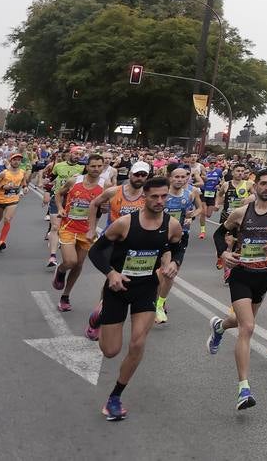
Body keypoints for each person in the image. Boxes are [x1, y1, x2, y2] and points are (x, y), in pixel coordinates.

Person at [87, 175, 183, 421]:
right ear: (145, 198)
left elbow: (178, 245)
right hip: (118, 289)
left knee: (138, 343)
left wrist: (174, 262)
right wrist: (111, 273)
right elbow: (96, 252)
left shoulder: (172, 225)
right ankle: (100, 312)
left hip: (146, 288)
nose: (160, 201)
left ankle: (115, 397)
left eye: (164, 196)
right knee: (110, 350)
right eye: (155, 196)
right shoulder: (124, 224)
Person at [206, 169, 267, 410]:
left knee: (238, 321)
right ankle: (243, 388)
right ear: (255, 187)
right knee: (248, 327)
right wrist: (223, 254)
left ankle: (219, 326)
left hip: (263, 275)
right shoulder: (241, 213)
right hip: (241, 275)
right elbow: (219, 234)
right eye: (262, 183)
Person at [52, 155, 105, 311]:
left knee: (79, 264)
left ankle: (65, 296)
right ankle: (61, 270)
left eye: (99, 166)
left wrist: (104, 211)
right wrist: (61, 209)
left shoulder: (105, 185)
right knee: (70, 262)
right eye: (93, 166)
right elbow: (59, 193)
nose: (96, 169)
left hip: (87, 231)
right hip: (68, 226)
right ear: (86, 167)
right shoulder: (74, 181)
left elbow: (105, 207)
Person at [155, 166, 203, 324]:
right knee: (161, 271)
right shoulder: (162, 195)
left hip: (180, 237)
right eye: (177, 177)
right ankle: (156, 301)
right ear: (170, 177)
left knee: (170, 272)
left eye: (184, 177)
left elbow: (200, 208)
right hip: (160, 237)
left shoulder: (191, 193)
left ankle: (160, 304)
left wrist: (192, 216)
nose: (180, 180)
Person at [0, 152, 28, 250]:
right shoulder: (4, 173)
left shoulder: (22, 172)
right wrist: (3, 186)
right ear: (11, 161)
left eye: (19, 160)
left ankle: (1, 242)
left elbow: (24, 182)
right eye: (14, 160)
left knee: (7, 219)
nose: (17, 162)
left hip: (13, 199)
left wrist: (25, 188)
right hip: (0, 199)